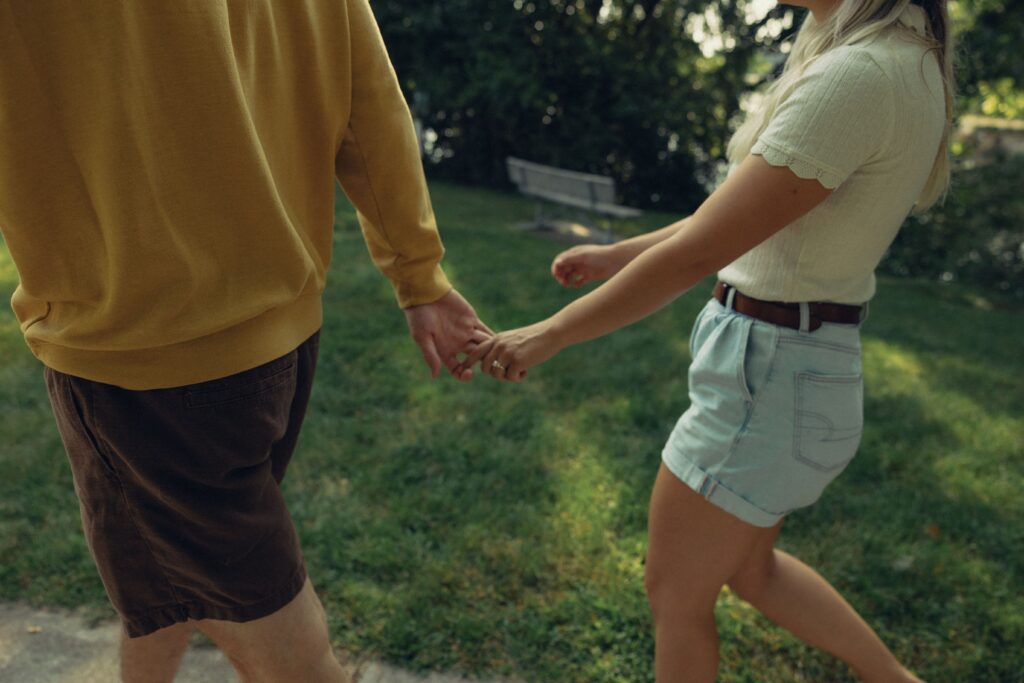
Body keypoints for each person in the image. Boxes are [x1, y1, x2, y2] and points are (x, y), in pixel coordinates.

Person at [461, 0, 951, 680]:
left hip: (768, 381)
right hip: (797, 369)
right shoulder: (898, 58)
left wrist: (548, 334)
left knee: (675, 592)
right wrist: (617, 253)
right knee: (754, 570)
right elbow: (737, 217)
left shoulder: (860, 73)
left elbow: (699, 254)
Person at [0, 1, 489, 681]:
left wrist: (420, 273)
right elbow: (369, 95)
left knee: (290, 652)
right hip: (279, 340)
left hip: (146, 358)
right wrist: (418, 272)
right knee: (162, 578)